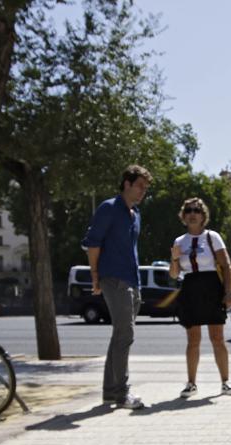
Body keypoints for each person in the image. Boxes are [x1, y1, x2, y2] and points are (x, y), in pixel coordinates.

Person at [83, 164, 152, 409]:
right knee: (126, 334)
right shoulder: (109, 208)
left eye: (146, 187)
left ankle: (110, 393)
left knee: (120, 336)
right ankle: (122, 394)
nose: (143, 191)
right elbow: (93, 243)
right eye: (140, 186)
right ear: (127, 183)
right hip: (113, 278)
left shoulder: (136, 214)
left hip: (133, 280)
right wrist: (95, 276)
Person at [169, 197, 231, 398]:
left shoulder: (212, 237)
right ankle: (191, 384)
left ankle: (226, 382)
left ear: (203, 215)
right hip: (190, 288)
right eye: (188, 210)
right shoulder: (179, 242)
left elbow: (226, 266)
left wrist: (228, 294)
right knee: (193, 340)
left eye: (196, 210)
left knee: (217, 338)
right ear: (183, 215)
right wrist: (174, 257)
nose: (192, 214)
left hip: (211, 288)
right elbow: (174, 274)